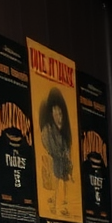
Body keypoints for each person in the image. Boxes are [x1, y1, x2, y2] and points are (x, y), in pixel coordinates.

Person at [38, 87, 73, 215]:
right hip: (53, 164)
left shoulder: (62, 134)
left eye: (60, 113)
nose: (59, 116)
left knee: (62, 183)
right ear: (52, 113)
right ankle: (53, 203)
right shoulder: (48, 130)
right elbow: (49, 146)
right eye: (56, 113)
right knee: (55, 184)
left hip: (60, 166)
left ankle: (60, 204)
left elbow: (66, 150)